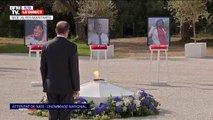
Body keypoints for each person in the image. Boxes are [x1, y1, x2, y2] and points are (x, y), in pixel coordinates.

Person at [40, 21, 80, 120]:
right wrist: (76, 88)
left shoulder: (46, 46)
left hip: (51, 85)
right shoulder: (72, 47)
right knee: (65, 115)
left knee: (52, 115)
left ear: (55, 30)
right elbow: (74, 69)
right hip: (67, 87)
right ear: (67, 32)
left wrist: (45, 84)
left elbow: (43, 67)